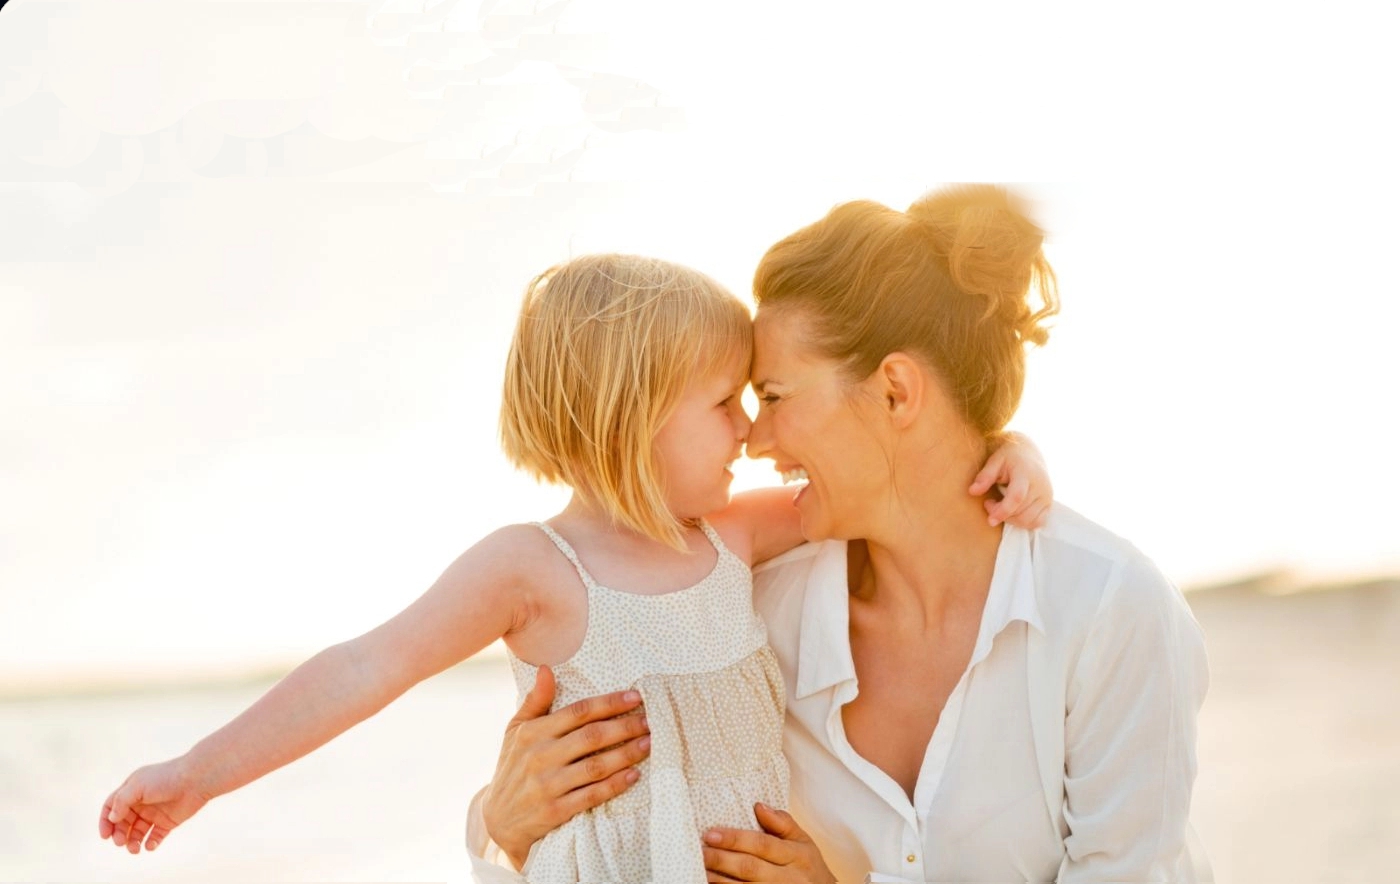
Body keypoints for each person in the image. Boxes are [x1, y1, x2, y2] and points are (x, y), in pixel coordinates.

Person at [97, 253, 1052, 884]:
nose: (752, 429)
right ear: (634, 415)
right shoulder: (534, 569)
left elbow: (882, 483)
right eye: (724, 401)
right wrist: (198, 772)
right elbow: (365, 666)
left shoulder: (734, 535)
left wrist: (1004, 450)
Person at [473, 186, 1212, 883]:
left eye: (773, 395)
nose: (753, 438)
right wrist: (502, 823)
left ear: (895, 391)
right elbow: (630, 827)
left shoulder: (1109, 607)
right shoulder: (746, 616)